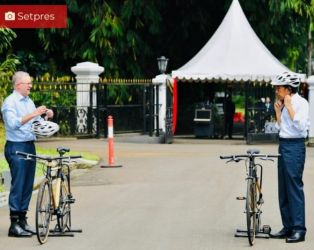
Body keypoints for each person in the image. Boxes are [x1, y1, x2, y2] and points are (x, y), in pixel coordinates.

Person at [1, 71, 54, 237]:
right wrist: (34, 113)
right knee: (18, 184)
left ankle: (23, 220)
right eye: (28, 83)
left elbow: (36, 124)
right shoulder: (10, 102)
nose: (30, 86)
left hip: (29, 145)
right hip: (16, 147)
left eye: (30, 83)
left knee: (27, 184)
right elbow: (12, 123)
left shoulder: (29, 101)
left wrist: (46, 117)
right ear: (18, 85)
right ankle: (14, 224)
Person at [269, 72, 309, 243]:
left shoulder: (301, 103)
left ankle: (299, 229)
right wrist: (279, 111)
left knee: (294, 187)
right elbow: (281, 127)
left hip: (295, 146)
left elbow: (300, 127)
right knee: (283, 189)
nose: (277, 90)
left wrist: (290, 107)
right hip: (284, 144)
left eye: (279, 87)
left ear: (289, 89)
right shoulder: (283, 104)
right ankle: (288, 227)